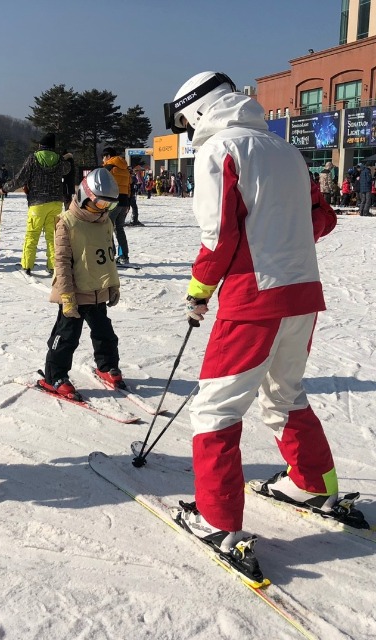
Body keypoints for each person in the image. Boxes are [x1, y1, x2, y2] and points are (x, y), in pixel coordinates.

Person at [163, 71, 339, 564]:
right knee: (285, 394)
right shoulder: (287, 150)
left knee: (214, 410)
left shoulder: (219, 150)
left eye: (184, 120)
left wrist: (199, 290)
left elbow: (219, 235)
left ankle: (217, 520)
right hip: (302, 294)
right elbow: (322, 217)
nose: (186, 129)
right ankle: (314, 483)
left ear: (196, 110)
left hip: (253, 300)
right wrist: (281, 239)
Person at [38, 168, 123, 399]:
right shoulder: (67, 222)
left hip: (98, 291)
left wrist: (113, 285)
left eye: (109, 205)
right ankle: (54, 376)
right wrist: (67, 297)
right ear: (85, 195)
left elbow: (108, 257)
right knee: (66, 337)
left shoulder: (105, 222)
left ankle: (107, 366)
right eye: (100, 203)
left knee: (106, 334)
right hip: (74, 294)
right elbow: (62, 263)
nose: (104, 209)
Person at [2, 133, 71, 275]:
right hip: (56, 203)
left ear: (41, 145)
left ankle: (27, 265)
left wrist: (5, 188)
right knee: (53, 236)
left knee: (32, 234)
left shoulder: (33, 158)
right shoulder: (59, 159)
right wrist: (66, 158)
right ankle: (53, 266)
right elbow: (67, 169)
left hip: (37, 203)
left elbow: (20, 179)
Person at [102, 147, 131, 264]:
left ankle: (111, 254)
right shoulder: (125, 168)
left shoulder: (108, 168)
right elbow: (129, 187)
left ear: (108, 156)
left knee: (107, 228)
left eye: (103, 157)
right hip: (124, 202)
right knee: (119, 228)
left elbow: (102, 186)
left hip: (113, 202)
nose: (103, 160)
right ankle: (124, 255)